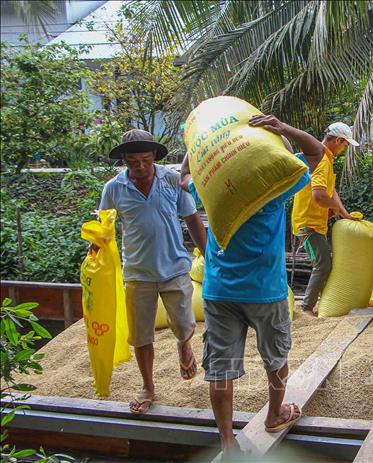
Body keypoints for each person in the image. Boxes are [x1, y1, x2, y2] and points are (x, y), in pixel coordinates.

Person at [179, 115, 324, 456]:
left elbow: (185, 175)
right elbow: (317, 154)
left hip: (219, 290)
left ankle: (228, 441)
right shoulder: (273, 186)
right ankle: (275, 414)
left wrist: (194, 144)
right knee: (275, 358)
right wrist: (285, 128)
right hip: (265, 290)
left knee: (220, 368)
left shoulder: (214, 184)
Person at [98, 128, 207, 414]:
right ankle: (148, 385)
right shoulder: (113, 188)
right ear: (124, 160)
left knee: (184, 324)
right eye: (134, 162)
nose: (141, 167)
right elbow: (104, 230)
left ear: (154, 157)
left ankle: (184, 345)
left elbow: (192, 218)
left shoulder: (172, 180)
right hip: (137, 272)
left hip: (174, 266)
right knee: (141, 335)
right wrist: (96, 255)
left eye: (146, 160)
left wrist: (208, 253)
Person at [290, 122, 359, 314]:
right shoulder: (321, 160)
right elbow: (319, 195)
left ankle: (320, 303)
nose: (344, 148)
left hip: (314, 223)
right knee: (322, 264)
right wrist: (334, 207)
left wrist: (343, 211)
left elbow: (330, 190)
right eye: (345, 144)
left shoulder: (324, 159)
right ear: (338, 140)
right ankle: (306, 307)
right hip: (308, 224)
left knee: (324, 263)